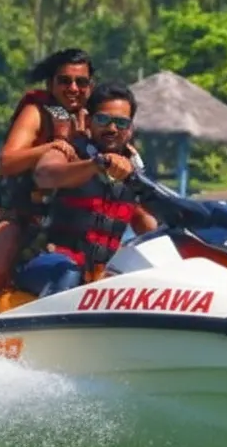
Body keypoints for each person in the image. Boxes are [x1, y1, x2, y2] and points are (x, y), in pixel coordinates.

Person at [0, 47, 95, 313]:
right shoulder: (36, 112)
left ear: (90, 86)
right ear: (51, 84)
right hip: (12, 215)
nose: (73, 88)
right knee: (2, 263)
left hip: (61, 223)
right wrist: (54, 146)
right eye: (64, 81)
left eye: (81, 82)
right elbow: (6, 162)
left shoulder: (95, 120)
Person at [14, 83, 159, 297]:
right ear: (88, 120)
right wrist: (97, 164)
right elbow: (45, 175)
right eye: (103, 120)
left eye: (121, 123)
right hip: (45, 264)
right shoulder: (67, 152)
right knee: (70, 272)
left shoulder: (133, 174)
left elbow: (150, 229)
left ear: (130, 128)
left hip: (95, 279)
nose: (112, 129)